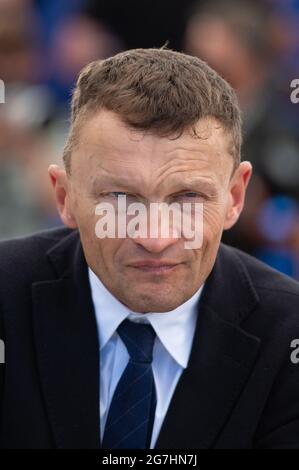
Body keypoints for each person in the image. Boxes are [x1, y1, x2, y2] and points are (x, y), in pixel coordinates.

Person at [0, 48, 299, 449]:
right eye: (120, 198)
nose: (155, 237)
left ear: (235, 197)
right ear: (64, 197)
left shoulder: (289, 337)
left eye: (188, 197)